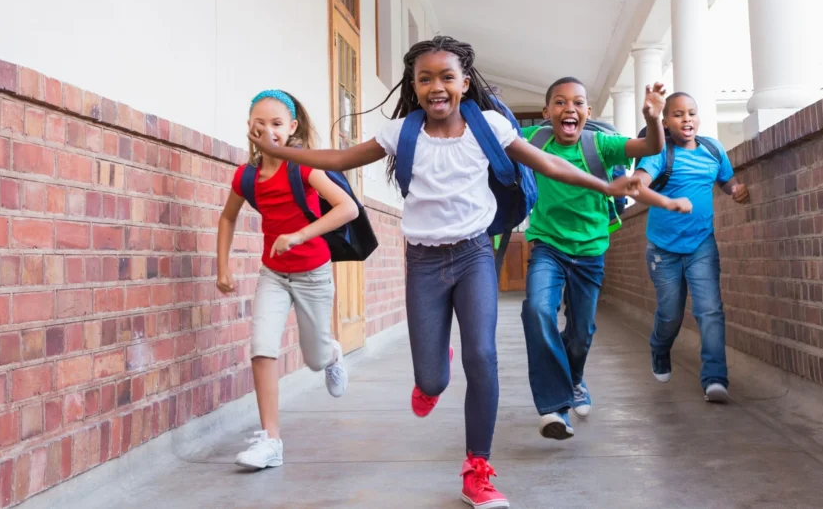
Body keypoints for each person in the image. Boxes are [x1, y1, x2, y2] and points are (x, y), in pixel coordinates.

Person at [248, 37, 641, 509]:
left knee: (483, 355)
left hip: (474, 254)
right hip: (424, 262)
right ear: (414, 88)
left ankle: (478, 470)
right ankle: (434, 373)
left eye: (447, 77)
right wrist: (284, 153)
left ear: (465, 83)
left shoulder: (489, 125)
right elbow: (338, 160)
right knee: (431, 381)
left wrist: (605, 183)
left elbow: (550, 162)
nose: (437, 87)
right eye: (426, 78)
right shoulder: (402, 132)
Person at [519, 77, 669, 439]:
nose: (569, 108)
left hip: (589, 251)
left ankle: (575, 380)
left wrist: (653, 117)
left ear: (588, 112)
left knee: (581, 333)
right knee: (538, 310)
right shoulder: (532, 142)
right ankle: (554, 409)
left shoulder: (600, 144)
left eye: (578, 102)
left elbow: (650, 145)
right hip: (547, 245)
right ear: (546, 113)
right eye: (559, 102)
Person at [216, 90, 359, 470]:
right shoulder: (246, 176)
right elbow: (227, 217)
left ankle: (331, 353)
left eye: (277, 124)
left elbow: (348, 208)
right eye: (259, 124)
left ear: (292, 128)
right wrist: (223, 267)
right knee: (262, 348)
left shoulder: (305, 168)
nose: (268, 131)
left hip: (313, 274)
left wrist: (299, 235)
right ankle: (271, 440)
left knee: (313, 360)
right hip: (273, 275)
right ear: (249, 127)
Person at [631, 92, 749, 403]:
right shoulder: (659, 152)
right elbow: (639, 183)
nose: (687, 120)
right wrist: (644, 185)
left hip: (701, 245)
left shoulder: (713, 149)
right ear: (666, 122)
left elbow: (727, 180)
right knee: (670, 314)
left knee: (709, 310)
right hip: (663, 248)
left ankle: (715, 379)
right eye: (678, 115)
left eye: (692, 113)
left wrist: (737, 190)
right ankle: (659, 347)